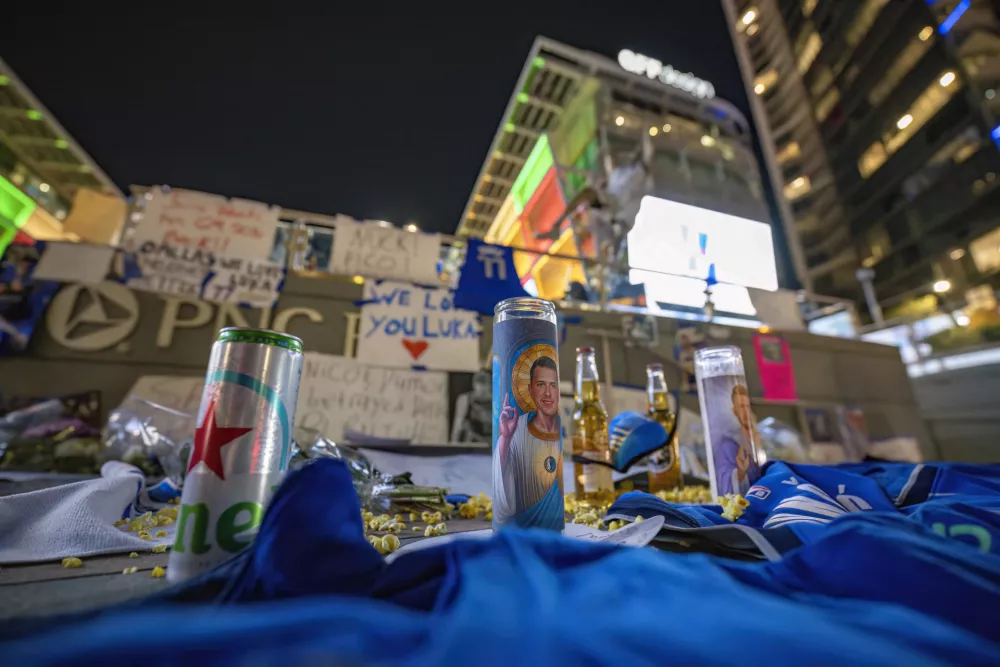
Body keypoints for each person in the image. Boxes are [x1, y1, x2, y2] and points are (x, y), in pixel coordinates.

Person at [492, 355, 561, 523]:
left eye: (553, 386)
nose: (548, 393)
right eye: (540, 385)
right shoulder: (517, 428)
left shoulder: (563, 430)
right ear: (530, 389)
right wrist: (506, 438)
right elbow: (503, 504)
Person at [714, 384, 761, 496]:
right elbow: (724, 480)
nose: (745, 412)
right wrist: (741, 471)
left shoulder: (762, 436)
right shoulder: (727, 445)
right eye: (741, 407)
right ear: (734, 411)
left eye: (747, 406)